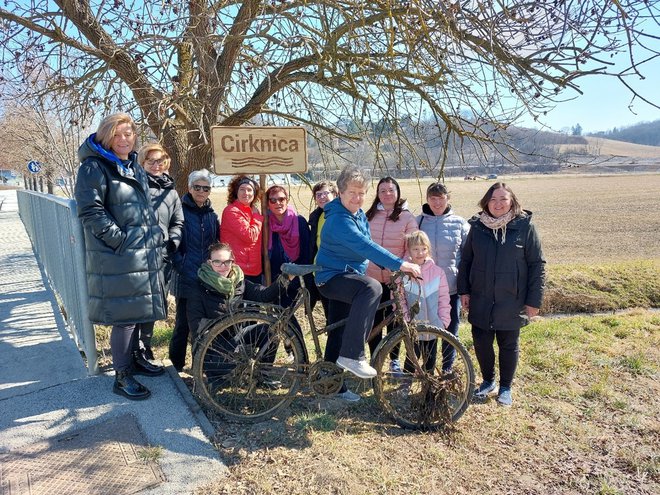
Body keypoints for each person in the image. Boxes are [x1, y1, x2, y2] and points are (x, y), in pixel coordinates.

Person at [74, 113, 167, 400]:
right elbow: (91, 211)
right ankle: (122, 375)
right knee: (124, 318)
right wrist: (120, 240)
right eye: (118, 134)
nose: (124, 139)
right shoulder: (94, 167)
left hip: (140, 252)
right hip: (119, 254)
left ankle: (136, 360)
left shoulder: (132, 164)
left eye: (128, 133)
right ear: (106, 136)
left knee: (137, 312)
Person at [314, 165, 421, 387]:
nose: (357, 198)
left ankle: (331, 384)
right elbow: (365, 246)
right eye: (352, 192)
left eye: (362, 193)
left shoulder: (358, 214)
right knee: (371, 288)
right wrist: (400, 263)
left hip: (348, 276)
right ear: (341, 192)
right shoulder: (338, 220)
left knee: (339, 330)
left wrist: (391, 267)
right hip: (332, 278)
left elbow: (367, 248)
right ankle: (353, 355)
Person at [457, 182, 546, 406]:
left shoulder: (524, 227)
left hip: (512, 298)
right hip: (481, 297)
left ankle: (506, 387)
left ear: (512, 202)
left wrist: (534, 300)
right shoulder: (477, 227)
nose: (498, 204)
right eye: (493, 199)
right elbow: (466, 261)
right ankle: (488, 381)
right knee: (481, 342)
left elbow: (537, 264)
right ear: (486, 202)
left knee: (508, 344)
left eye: (503, 199)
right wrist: (464, 290)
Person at [133, 143, 184, 362]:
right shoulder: (135, 187)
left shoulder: (170, 192)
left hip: (162, 257)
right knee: (136, 304)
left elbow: (178, 221)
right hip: (137, 255)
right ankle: (131, 349)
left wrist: (173, 242)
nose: (156, 165)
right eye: (151, 161)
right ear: (142, 163)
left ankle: (145, 345)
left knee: (155, 303)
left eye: (160, 161)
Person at [186, 242, 288, 350]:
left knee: (270, 332)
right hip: (212, 348)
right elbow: (197, 328)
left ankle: (264, 367)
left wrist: (286, 278)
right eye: (217, 262)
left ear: (232, 262)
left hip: (237, 341)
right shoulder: (197, 289)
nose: (223, 266)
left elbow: (264, 295)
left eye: (227, 262)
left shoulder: (239, 283)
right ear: (209, 263)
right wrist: (230, 348)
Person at [169, 169, 220, 371]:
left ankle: (199, 367)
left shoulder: (211, 215)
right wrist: (181, 265)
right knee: (182, 324)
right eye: (197, 187)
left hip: (206, 278)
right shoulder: (179, 210)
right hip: (185, 276)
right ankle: (176, 366)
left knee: (202, 325)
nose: (201, 191)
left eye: (205, 188)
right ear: (189, 188)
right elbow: (171, 243)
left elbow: (216, 243)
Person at [364, 177, 417, 370]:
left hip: (396, 280)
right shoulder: (368, 215)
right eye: (383, 190)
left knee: (395, 321)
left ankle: (393, 359)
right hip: (371, 279)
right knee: (374, 321)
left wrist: (401, 267)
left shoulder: (406, 217)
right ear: (377, 194)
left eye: (391, 190)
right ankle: (375, 359)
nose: (387, 194)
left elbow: (412, 247)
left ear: (398, 193)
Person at [416, 182, 469, 371]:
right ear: (427, 200)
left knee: (450, 330)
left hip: (452, 288)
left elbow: (467, 258)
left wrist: (466, 289)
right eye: (433, 198)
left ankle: (447, 370)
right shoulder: (418, 222)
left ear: (448, 198)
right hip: (425, 288)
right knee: (426, 331)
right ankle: (427, 370)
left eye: (441, 198)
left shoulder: (461, 224)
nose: (437, 202)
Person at [400, 231, 451, 373]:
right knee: (412, 357)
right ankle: (405, 384)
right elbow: (400, 299)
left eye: (423, 248)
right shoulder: (403, 273)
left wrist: (444, 321)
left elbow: (444, 298)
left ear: (428, 249)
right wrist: (406, 319)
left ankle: (428, 388)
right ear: (409, 250)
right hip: (413, 325)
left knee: (430, 359)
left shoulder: (437, 272)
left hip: (434, 325)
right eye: (415, 249)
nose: (420, 253)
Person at [265, 184, 312, 306]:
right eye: (273, 200)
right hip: (274, 277)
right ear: (268, 203)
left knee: (286, 312)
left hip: (295, 275)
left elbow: (307, 251)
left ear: (287, 200)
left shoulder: (299, 221)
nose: (278, 203)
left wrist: (299, 276)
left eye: (281, 199)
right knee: (279, 311)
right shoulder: (266, 223)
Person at [220, 175, 263, 284]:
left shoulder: (251, 212)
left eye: (249, 190)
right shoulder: (232, 211)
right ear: (236, 192)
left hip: (255, 268)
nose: (246, 193)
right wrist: (257, 217)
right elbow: (250, 236)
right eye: (242, 189)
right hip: (238, 269)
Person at [307, 180, 338, 318]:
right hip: (320, 273)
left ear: (335, 195)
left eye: (325, 193)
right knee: (330, 317)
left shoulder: (341, 215)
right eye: (318, 195)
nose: (322, 197)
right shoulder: (317, 216)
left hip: (338, 273)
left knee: (339, 318)